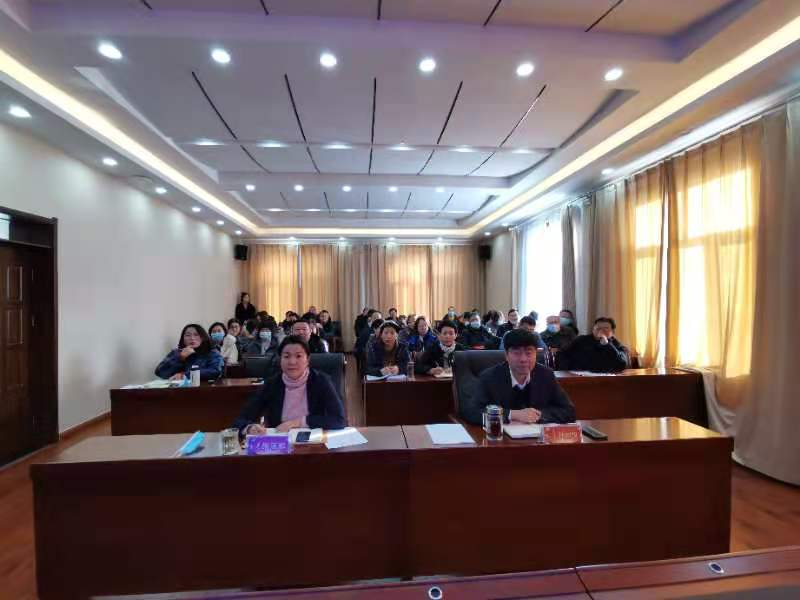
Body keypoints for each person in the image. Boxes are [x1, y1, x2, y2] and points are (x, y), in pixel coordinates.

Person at [233, 335, 346, 435]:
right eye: (286, 356)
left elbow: (339, 420)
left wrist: (298, 422)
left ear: (308, 360)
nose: (292, 362)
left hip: (314, 443)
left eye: (298, 356)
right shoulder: (272, 384)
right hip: (280, 442)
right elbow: (241, 419)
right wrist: (249, 428)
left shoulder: (321, 381)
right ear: (280, 359)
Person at [461, 329, 576, 426]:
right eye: (517, 353)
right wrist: (512, 414)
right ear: (506, 355)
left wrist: (537, 415)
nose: (523, 359)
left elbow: (569, 411)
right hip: (501, 440)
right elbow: (471, 412)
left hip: (536, 439)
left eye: (529, 353)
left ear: (536, 354)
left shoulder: (546, 375)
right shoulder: (489, 377)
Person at [555, 317, 629, 373]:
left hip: (607, 379)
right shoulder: (581, 340)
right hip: (580, 377)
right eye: (598, 328)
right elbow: (562, 353)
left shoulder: (616, 345)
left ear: (612, 332)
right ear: (593, 330)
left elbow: (622, 364)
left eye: (606, 328)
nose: (601, 331)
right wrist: (569, 369)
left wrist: (607, 345)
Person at [155, 324, 224, 381]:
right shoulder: (177, 352)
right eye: (188, 335)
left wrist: (185, 375)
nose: (192, 338)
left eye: (196, 335)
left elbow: (216, 371)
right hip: (178, 390)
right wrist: (180, 358)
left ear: (203, 337)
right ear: (183, 339)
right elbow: (160, 372)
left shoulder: (212, 353)